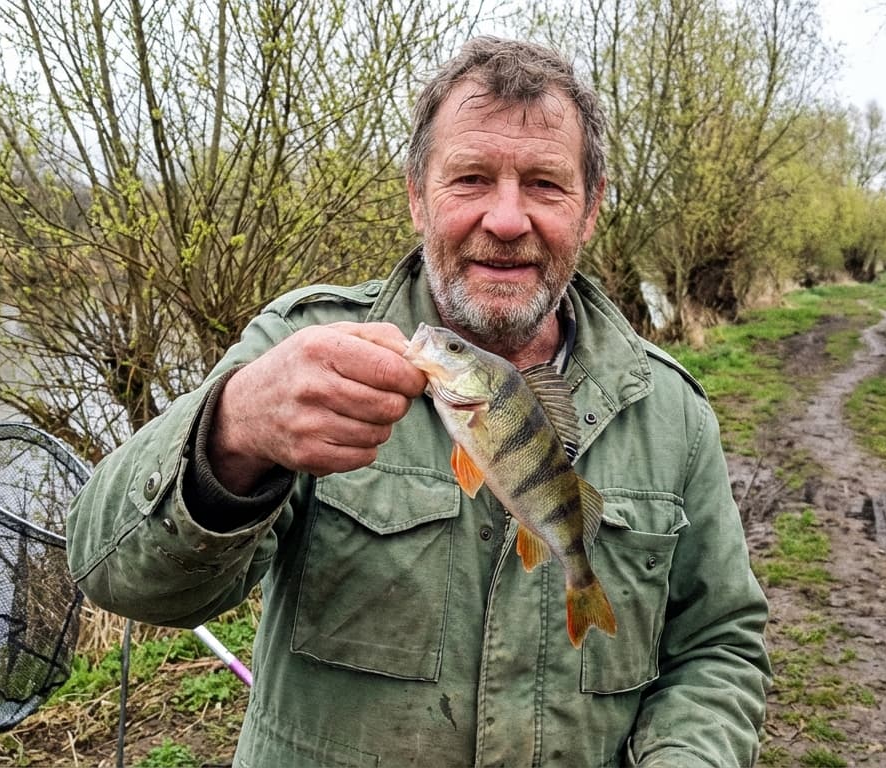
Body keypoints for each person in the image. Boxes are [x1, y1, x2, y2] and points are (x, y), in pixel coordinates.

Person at [67, 36, 771, 767]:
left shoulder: (671, 412)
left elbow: (721, 647)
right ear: (415, 196)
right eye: (470, 178)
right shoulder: (303, 348)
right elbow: (111, 572)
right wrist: (234, 432)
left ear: (590, 210)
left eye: (545, 185)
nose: (506, 219)